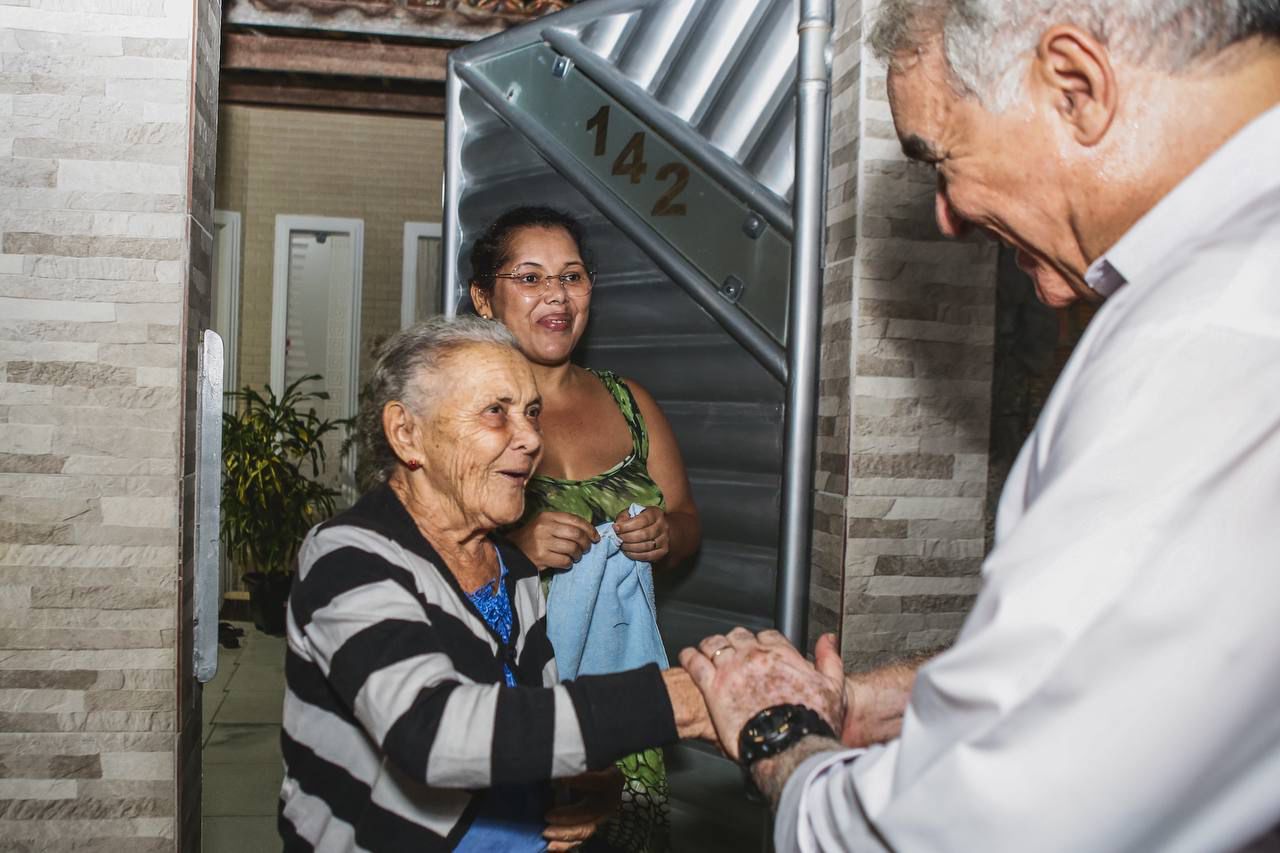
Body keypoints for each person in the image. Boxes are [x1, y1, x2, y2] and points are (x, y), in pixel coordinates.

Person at [680, 1, 1280, 851]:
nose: (948, 215)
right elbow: (1138, 668)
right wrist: (867, 705)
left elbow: (966, 831)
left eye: (941, 157)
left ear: (1076, 87)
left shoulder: (1209, 329)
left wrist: (780, 740)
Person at [278, 317, 711, 851]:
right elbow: (430, 731)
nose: (531, 438)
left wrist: (585, 783)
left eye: (531, 412)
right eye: (495, 412)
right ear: (407, 433)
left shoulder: (512, 567)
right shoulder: (347, 557)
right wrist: (678, 700)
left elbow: (517, 726)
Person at [469, 206, 701, 851]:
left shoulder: (630, 401)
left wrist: (665, 535)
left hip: (620, 694)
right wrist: (514, 549)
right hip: (502, 703)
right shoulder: (463, 416)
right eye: (530, 277)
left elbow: (687, 523)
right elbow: (416, 552)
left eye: (572, 277)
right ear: (484, 297)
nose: (556, 295)